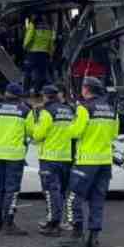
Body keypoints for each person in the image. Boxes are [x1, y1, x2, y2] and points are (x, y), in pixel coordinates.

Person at [61, 76, 119, 247]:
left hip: (86, 161)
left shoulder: (84, 108)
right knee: (97, 199)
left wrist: (68, 126)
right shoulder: (111, 109)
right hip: (105, 161)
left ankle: (76, 233)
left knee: (73, 197)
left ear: (86, 89)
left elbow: (75, 132)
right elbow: (115, 134)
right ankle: (93, 237)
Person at [0, 82, 36, 235]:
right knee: (11, 190)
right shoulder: (25, 110)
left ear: (6, 93)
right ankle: (9, 223)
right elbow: (31, 132)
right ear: (19, 96)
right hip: (15, 156)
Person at [30, 85, 76, 237]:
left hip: (49, 157)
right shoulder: (69, 110)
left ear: (45, 96)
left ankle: (53, 223)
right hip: (66, 157)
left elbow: (38, 135)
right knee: (61, 192)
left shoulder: (47, 112)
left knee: (51, 191)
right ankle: (60, 220)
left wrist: (35, 124)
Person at [23, 15, 55, 93]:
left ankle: (25, 91)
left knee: (28, 72)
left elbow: (28, 38)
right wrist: (51, 53)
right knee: (40, 74)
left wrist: (25, 47)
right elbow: (51, 42)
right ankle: (37, 91)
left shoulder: (33, 25)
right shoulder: (49, 28)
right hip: (44, 53)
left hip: (33, 53)